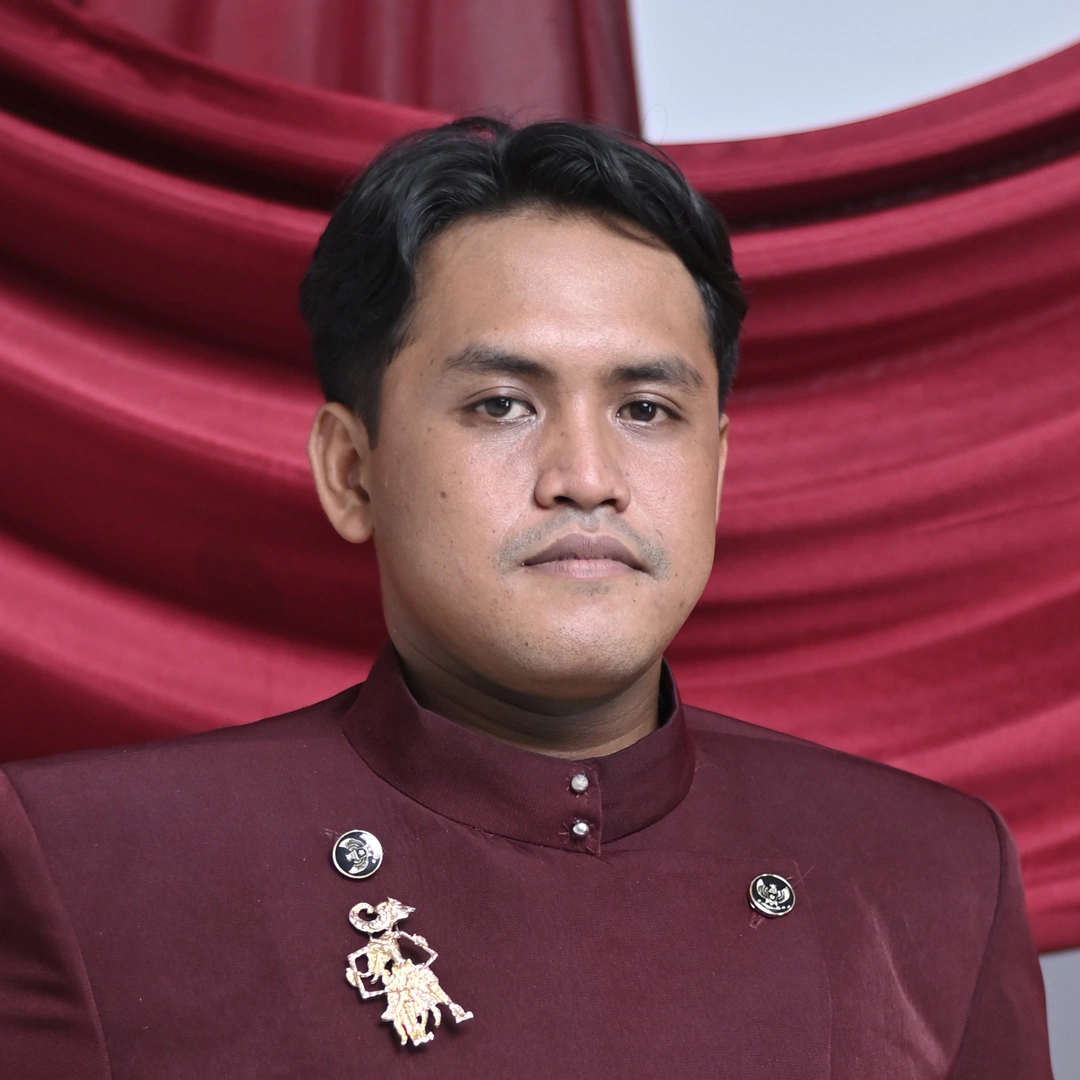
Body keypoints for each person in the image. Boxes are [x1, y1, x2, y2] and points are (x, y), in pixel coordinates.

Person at [0, 117, 1053, 1079]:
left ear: (718, 469)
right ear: (352, 472)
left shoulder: (930, 873)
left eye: (647, 408)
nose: (586, 477)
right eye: (502, 403)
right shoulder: (92, 867)